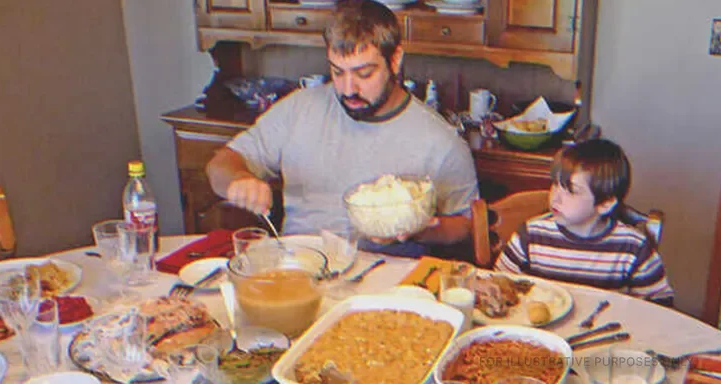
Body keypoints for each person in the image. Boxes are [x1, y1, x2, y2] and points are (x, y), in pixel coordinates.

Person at [205, 0, 479, 257]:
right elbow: (220, 164)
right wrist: (238, 180)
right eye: (338, 72)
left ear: (395, 60)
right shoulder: (299, 109)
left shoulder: (439, 141)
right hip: (300, 269)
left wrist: (422, 228)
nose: (348, 89)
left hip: (386, 283)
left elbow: (466, 225)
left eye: (364, 74)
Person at [493, 139, 674, 306]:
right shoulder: (531, 236)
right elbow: (499, 285)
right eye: (555, 184)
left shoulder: (633, 248)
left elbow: (660, 306)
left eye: (571, 191)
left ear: (605, 204)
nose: (555, 197)